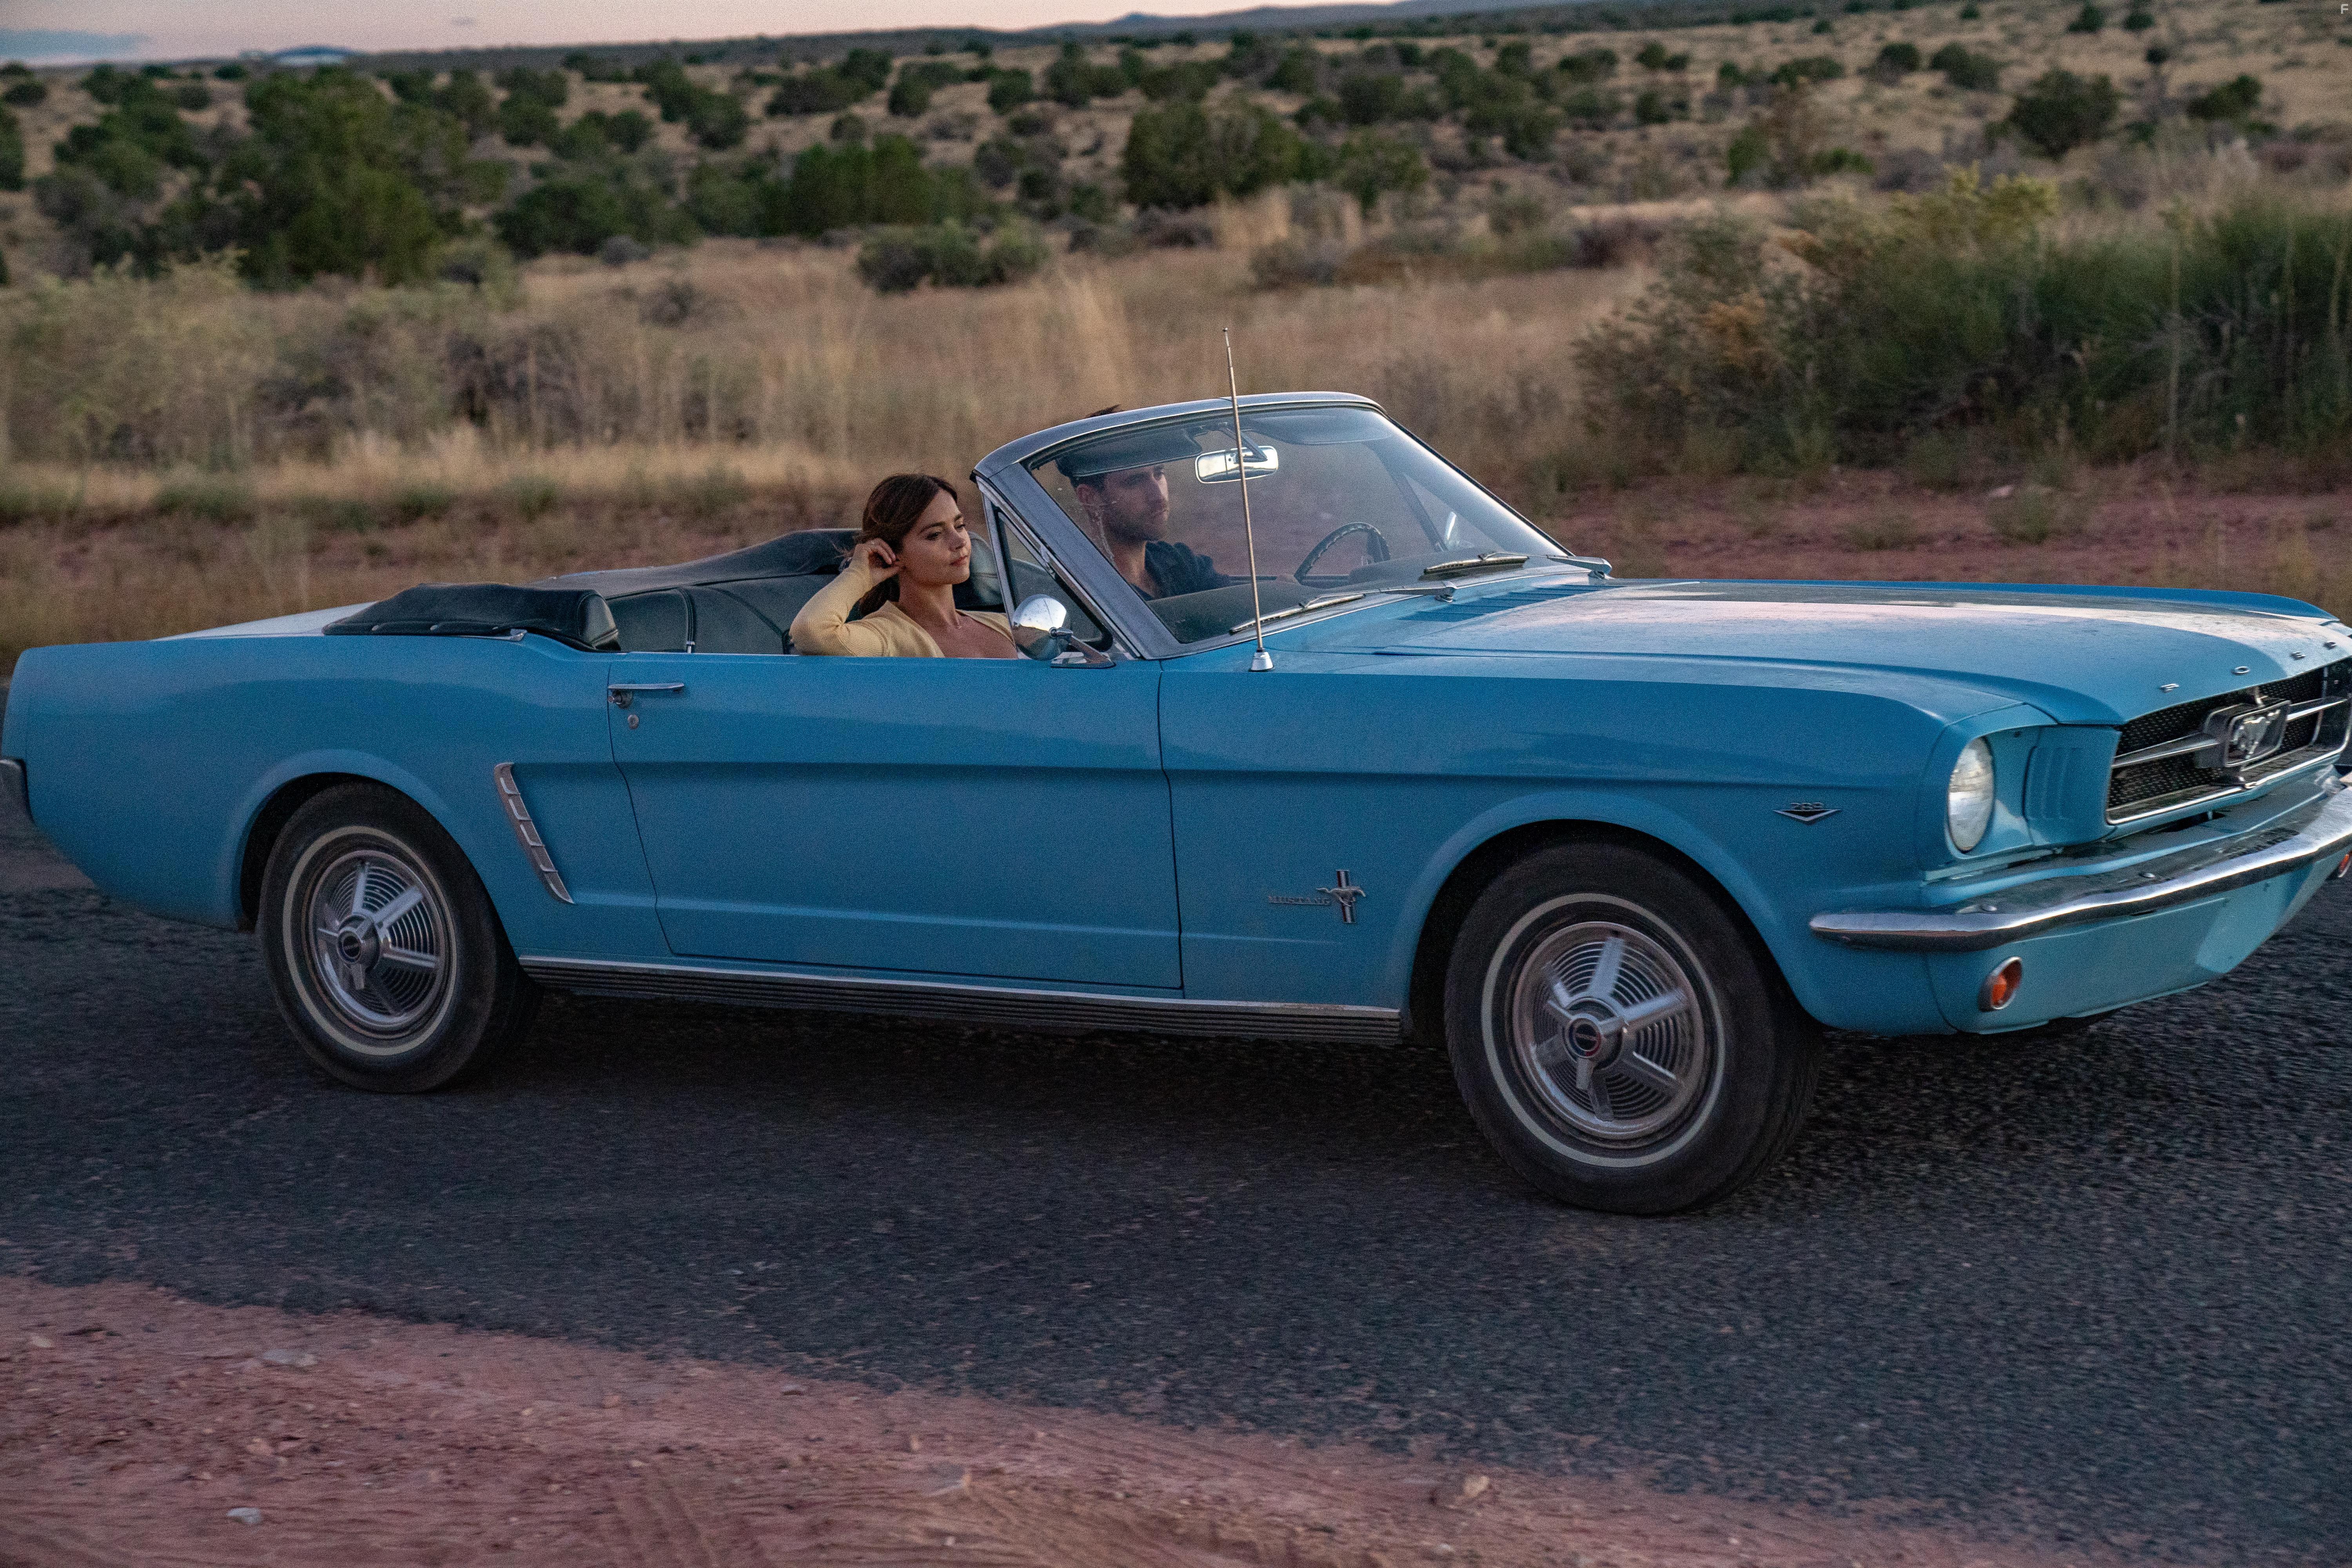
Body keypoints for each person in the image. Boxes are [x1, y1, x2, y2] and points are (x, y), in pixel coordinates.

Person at [789, 474, 1016, 659]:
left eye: (960, 525)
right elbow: (812, 631)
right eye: (935, 535)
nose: (959, 542)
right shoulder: (888, 635)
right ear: (892, 552)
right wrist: (859, 574)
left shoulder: (1004, 626)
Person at [1057, 422, 1232, 601]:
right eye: (1135, 481)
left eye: (1159, 474)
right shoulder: (1085, 593)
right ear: (1090, 499)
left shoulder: (1180, 564)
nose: (1158, 495)